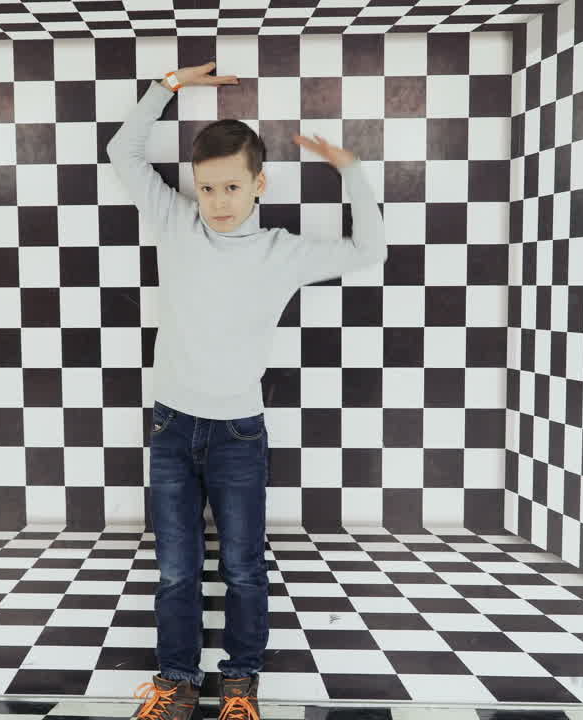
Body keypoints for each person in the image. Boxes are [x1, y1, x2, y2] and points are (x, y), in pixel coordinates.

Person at [105, 61, 387, 720]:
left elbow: (369, 249)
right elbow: (122, 151)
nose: (218, 201)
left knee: (242, 569)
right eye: (207, 188)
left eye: (232, 186)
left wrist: (350, 170)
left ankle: (240, 683)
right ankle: (176, 681)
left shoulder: (282, 252)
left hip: (237, 435)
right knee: (175, 571)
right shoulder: (175, 223)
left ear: (258, 184)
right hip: (172, 430)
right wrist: (168, 86)